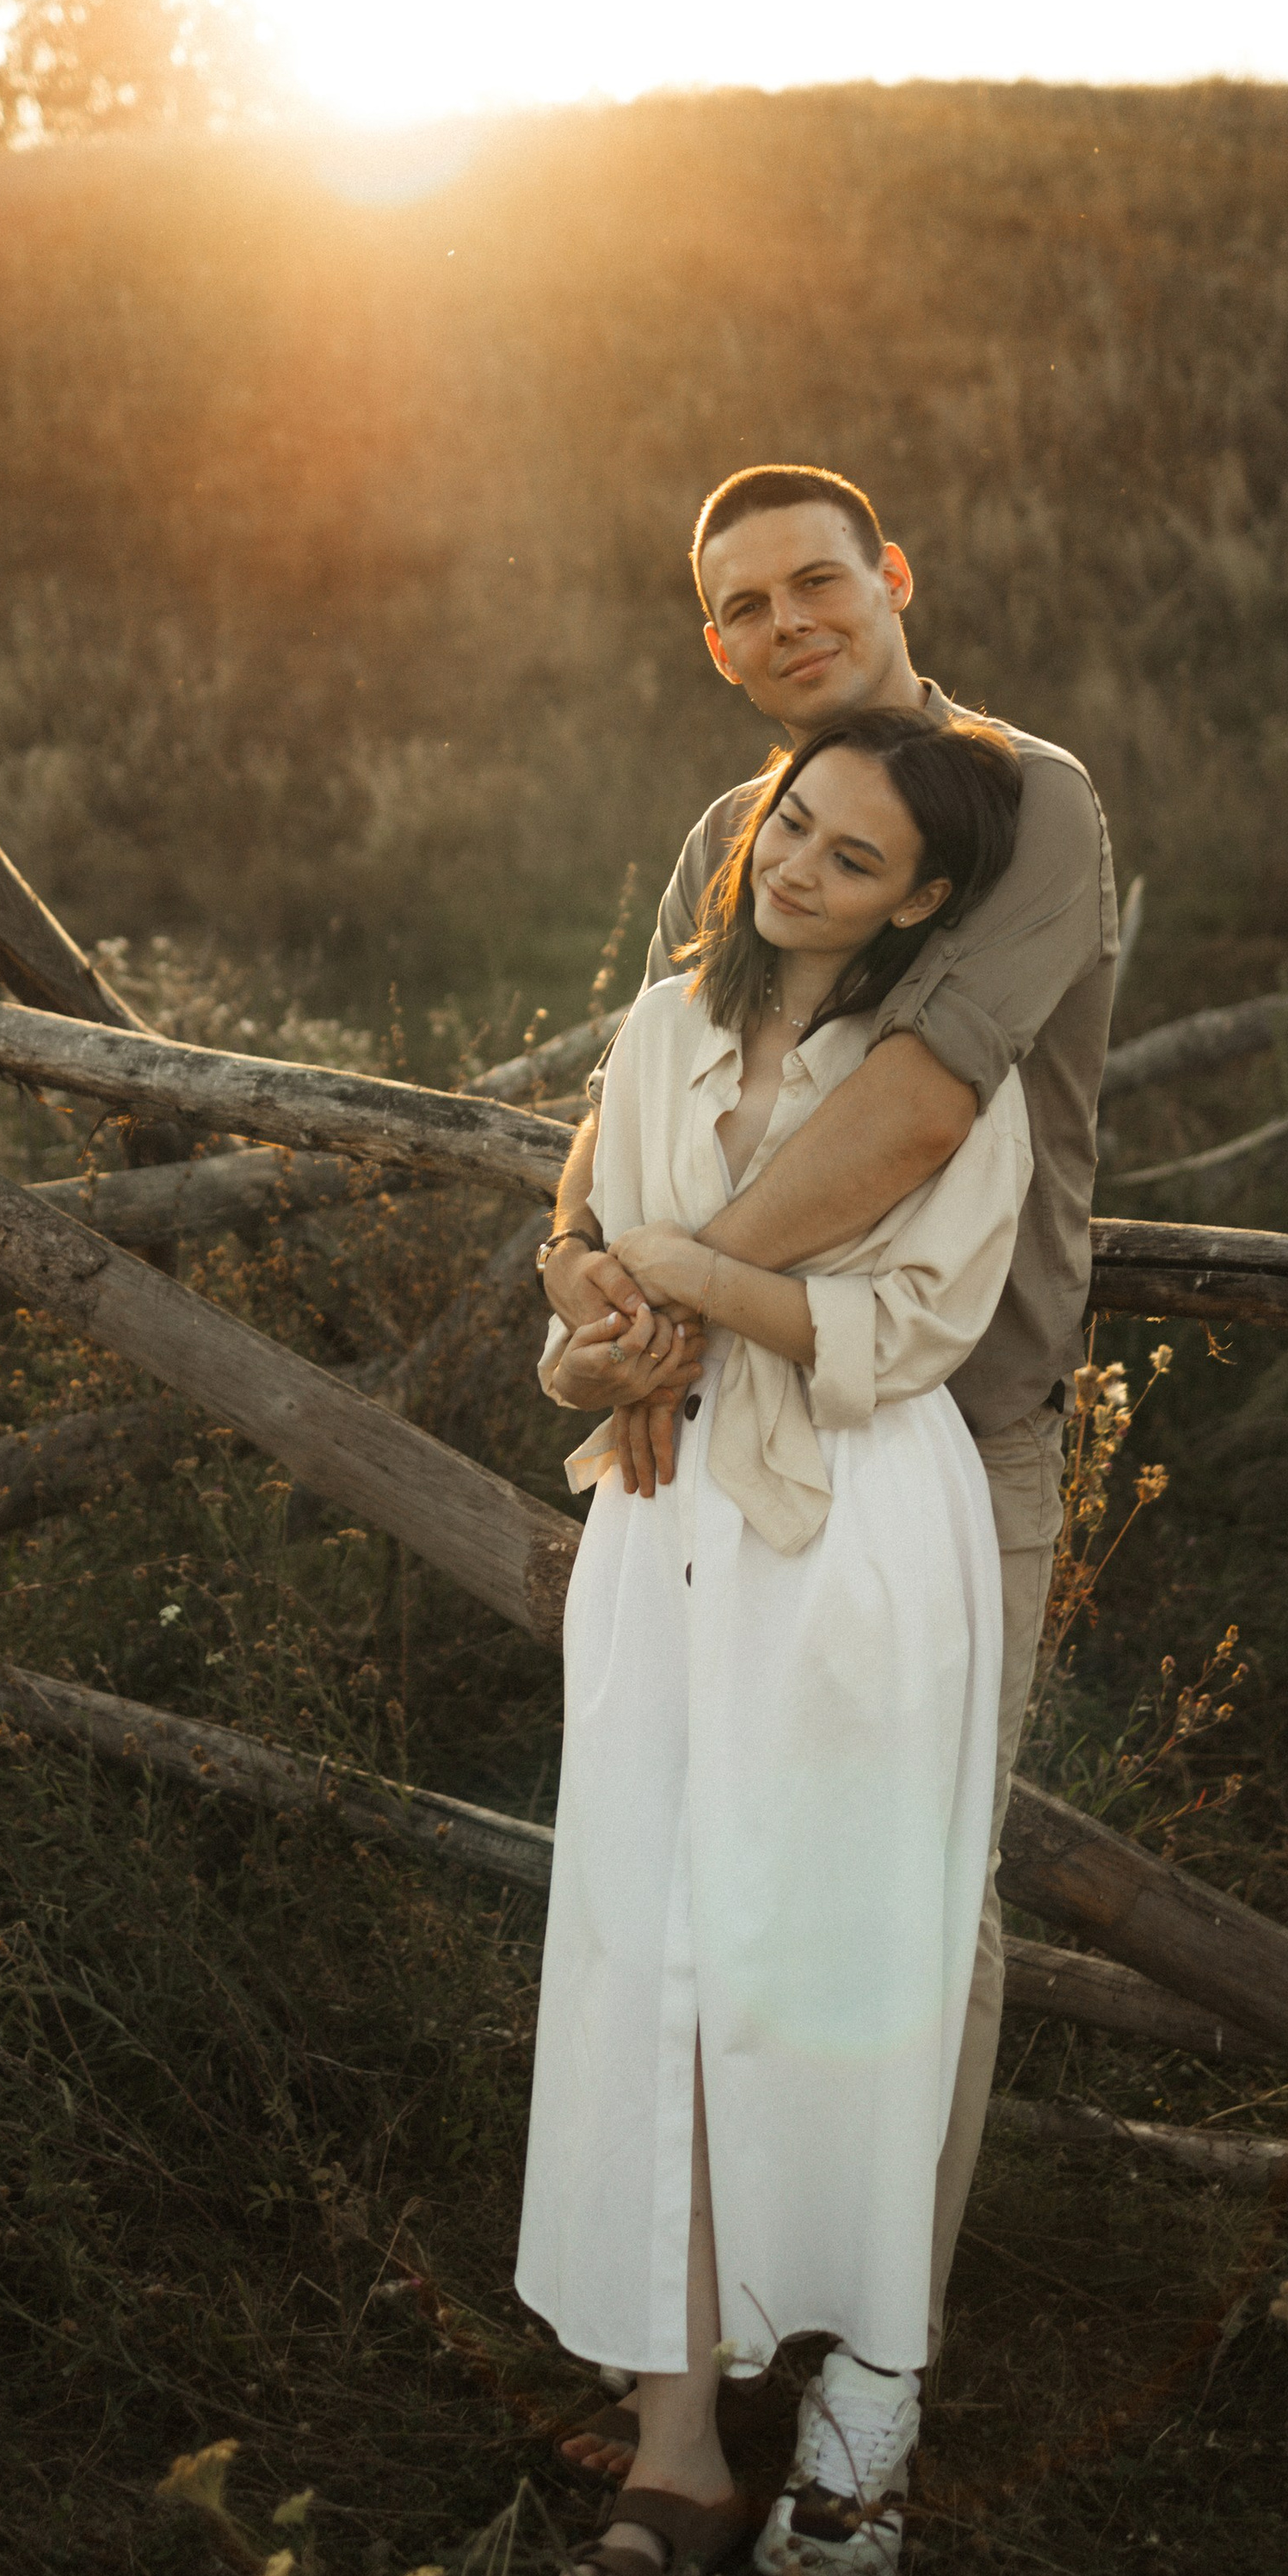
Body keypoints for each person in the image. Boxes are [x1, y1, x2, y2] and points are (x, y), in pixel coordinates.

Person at [538, 464, 1117, 2472]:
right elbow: (624, 1108)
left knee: (906, 1911)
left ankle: (864, 2394)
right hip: (709, 1445)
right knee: (698, 1882)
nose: (784, 623)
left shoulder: (1019, 800)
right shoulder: (731, 831)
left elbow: (914, 1109)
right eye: (738, 607)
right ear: (715, 652)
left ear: (891, 575)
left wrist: (675, 1288)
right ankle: (697, 2351)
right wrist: (594, 1282)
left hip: (942, 1431)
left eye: (814, 582)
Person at [520, 706, 1031, 2576]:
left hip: (848, 1540)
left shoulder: (935, 1078)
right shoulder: (658, 1027)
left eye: (848, 857)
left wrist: (671, 1265)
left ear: (922, 902)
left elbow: (899, 1329)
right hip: (658, 1537)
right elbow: (580, 1321)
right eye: (790, 825)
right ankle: (672, 2451)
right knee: (649, 1952)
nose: (796, 867)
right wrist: (599, 1339)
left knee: (818, 1967)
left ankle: (848, 2399)